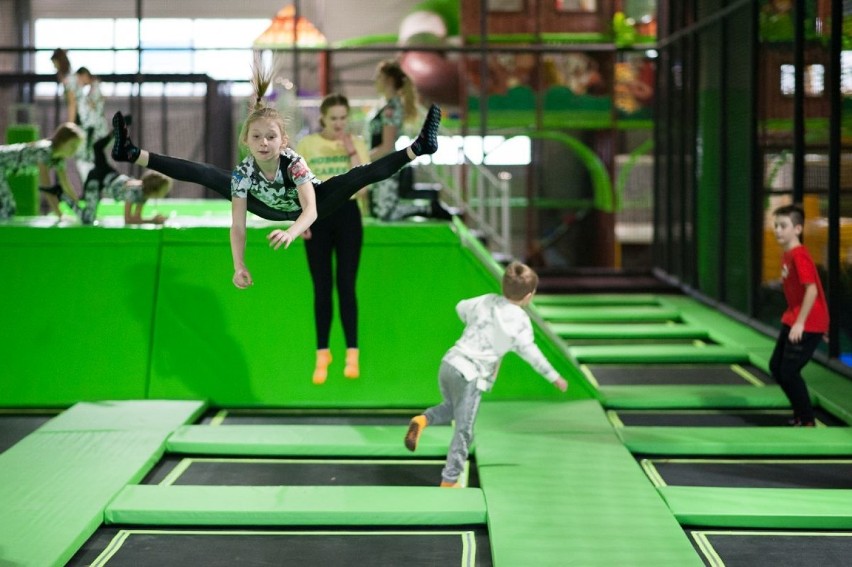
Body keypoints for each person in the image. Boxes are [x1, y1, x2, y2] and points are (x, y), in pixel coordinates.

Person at [110, 61, 441, 289]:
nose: (264, 143)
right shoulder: (243, 174)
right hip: (264, 206)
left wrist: (292, 232)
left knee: (357, 176)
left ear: (283, 140)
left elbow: (310, 210)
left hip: (310, 205)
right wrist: (239, 265)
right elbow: (237, 226)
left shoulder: (293, 162)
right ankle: (133, 153)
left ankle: (418, 147)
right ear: (246, 141)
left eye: (271, 137)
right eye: (256, 137)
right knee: (205, 173)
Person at [404, 261, 569, 487]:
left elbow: (460, 307)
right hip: (470, 375)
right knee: (464, 431)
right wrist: (554, 377)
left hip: (450, 362)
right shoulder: (520, 322)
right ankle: (449, 481)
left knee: (453, 408)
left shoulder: (487, 300)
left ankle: (422, 420)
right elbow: (533, 355)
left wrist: (474, 323)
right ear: (529, 296)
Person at [295, 94, 369, 384]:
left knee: (347, 284)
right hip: (318, 215)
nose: (338, 123)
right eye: (333, 118)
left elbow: (363, 185)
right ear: (323, 118)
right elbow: (298, 185)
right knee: (322, 286)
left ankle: (352, 351)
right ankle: (322, 351)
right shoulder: (308, 145)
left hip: (348, 214)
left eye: (343, 118)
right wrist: (301, 219)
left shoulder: (357, 144)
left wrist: (351, 150)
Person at [367, 58, 452, 221]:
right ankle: (426, 208)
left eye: (378, 77)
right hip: (380, 165)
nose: (375, 81)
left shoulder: (391, 108)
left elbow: (387, 145)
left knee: (385, 213)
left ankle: (427, 208)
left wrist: (361, 157)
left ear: (388, 80)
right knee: (379, 211)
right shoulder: (388, 106)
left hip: (385, 165)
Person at [770, 204, 829, 427]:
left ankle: (806, 419)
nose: (777, 230)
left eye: (783, 226)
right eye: (776, 225)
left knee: (789, 371)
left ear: (797, 229)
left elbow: (812, 290)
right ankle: (800, 414)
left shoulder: (799, 256)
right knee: (776, 367)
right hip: (793, 318)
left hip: (806, 322)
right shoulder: (787, 255)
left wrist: (803, 324)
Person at [79, 134, 172, 225]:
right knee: (88, 219)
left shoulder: (145, 194)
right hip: (99, 178)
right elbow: (128, 220)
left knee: (98, 150)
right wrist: (152, 221)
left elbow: (136, 218)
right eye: (164, 190)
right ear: (155, 189)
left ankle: (114, 134)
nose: (166, 193)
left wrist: (155, 220)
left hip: (111, 175)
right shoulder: (134, 192)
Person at [0, 122, 83, 219]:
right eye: (73, 145)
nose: (74, 150)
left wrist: (80, 210)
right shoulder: (45, 151)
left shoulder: (59, 159)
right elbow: (46, 187)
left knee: (7, 208)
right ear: (62, 141)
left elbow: (66, 185)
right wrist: (60, 215)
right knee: (7, 207)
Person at [72, 67, 109, 181]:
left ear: (84, 75)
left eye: (79, 79)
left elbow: (94, 111)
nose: (79, 82)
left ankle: (93, 185)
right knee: (89, 158)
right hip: (93, 131)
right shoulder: (93, 88)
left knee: (86, 159)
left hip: (93, 131)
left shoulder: (95, 89)